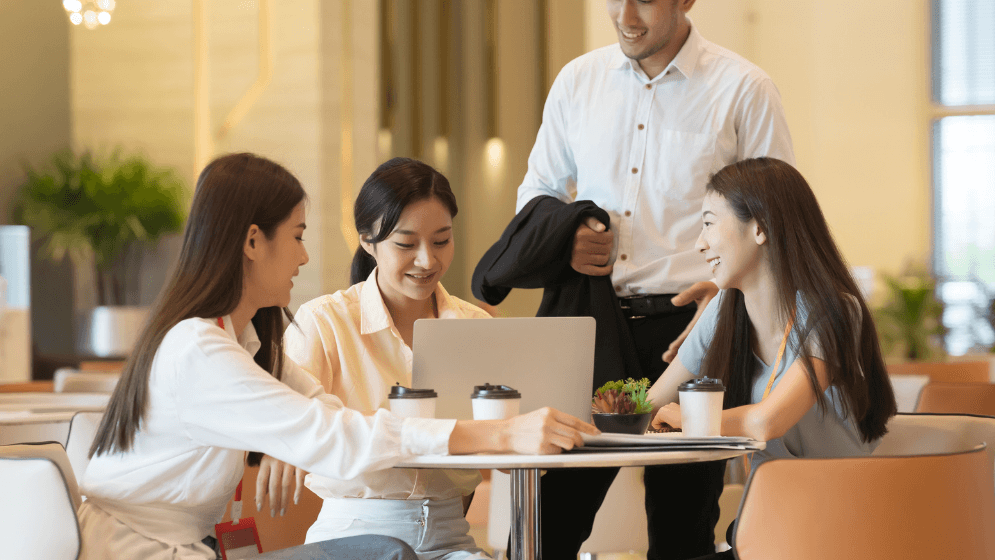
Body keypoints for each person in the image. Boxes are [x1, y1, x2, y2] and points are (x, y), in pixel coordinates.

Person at [78, 153, 598, 560]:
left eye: (441, 241)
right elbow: (335, 439)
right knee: (384, 552)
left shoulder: (250, 344)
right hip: (136, 551)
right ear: (254, 242)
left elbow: (329, 415)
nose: (305, 256)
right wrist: (497, 432)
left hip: (189, 547)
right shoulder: (198, 350)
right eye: (298, 236)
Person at [512, 0, 795, 557]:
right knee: (554, 516)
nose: (624, 14)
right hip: (592, 325)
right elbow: (536, 195)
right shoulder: (578, 81)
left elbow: (780, 217)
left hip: (696, 329)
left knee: (683, 523)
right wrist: (566, 238)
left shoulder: (743, 87)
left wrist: (726, 292)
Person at [648, 157, 898, 559]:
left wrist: (684, 419)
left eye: (710, 222)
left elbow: (768, 420)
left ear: (760, 227)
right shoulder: (725, 310)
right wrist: (587, 419)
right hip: (771, 528)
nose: (700, 242)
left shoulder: (834, 311)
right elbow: (652, 402)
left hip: (838, 533)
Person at [284, 157, 495, 559]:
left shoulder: (475, 324)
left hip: (451, 539)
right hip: (351, 537)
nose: (427, 261)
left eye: (441, 240)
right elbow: (299, 431)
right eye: (405, 244)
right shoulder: (324, 322)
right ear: (367, 240)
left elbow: (506, 444)